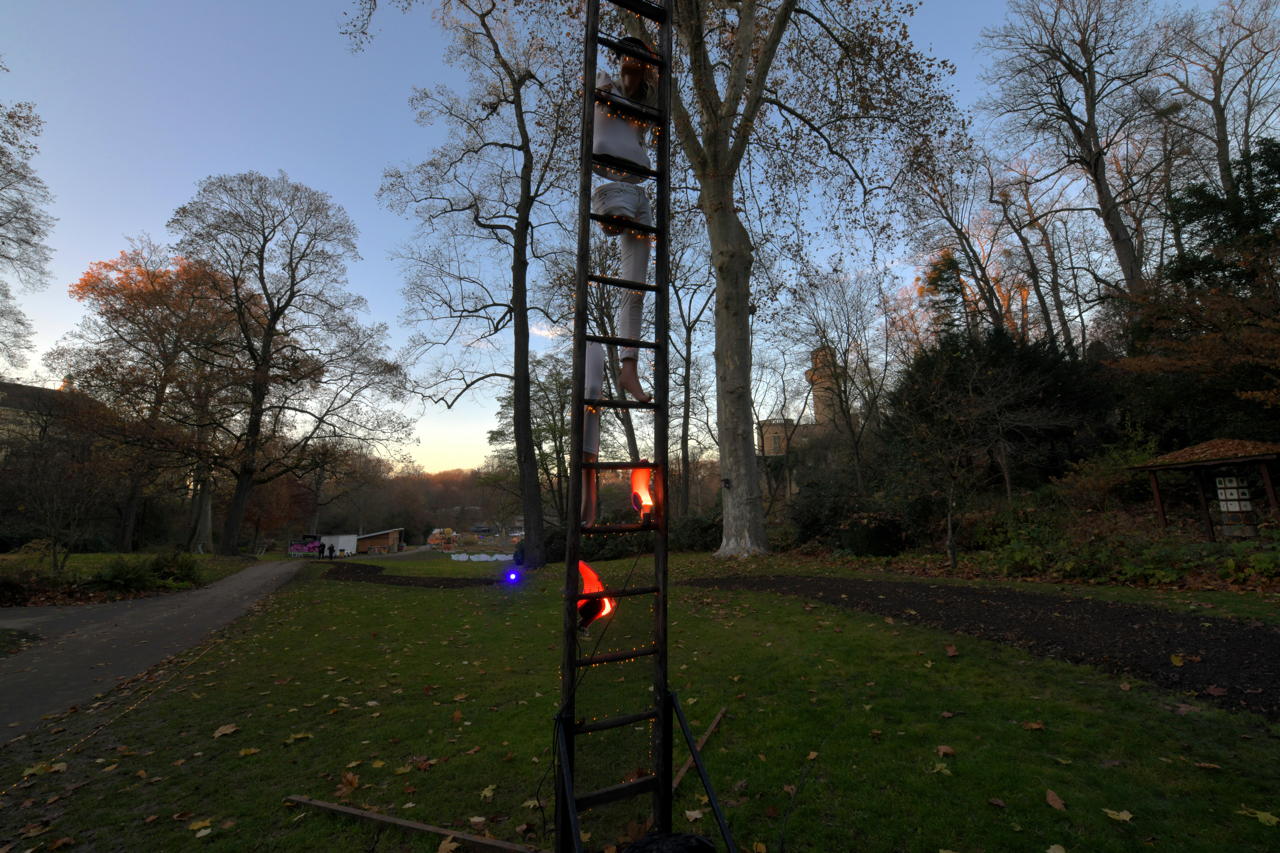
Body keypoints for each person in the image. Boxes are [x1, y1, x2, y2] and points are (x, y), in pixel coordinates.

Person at [583, 36, 658, 527]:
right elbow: (597, 79)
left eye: (642, 66)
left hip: (641, 188)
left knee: (637, 288)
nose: (633, 72)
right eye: (628, 62)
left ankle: (628, 366)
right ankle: (614, 217)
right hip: (613, 185)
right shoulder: (604, 88)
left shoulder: (649, 106)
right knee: (619, 223)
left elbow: (658, 79)